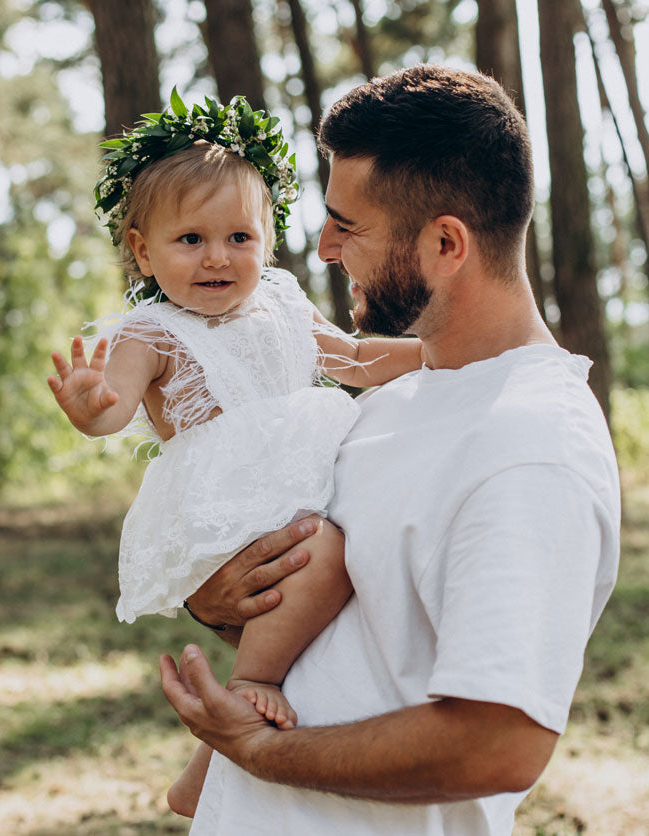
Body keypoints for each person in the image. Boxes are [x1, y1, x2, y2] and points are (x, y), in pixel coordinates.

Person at [160, 64, 621, 835]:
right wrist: (218, 598)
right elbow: (353, 616)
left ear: (446, 244)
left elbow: (499, 743)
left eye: (349, 224)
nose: (326, 248)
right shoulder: (393, 401)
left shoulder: (532, 445)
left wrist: (262, 751)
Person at [47, 93, 425, 813]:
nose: (217, 257)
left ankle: (212, 762)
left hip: (297, 481)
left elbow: (350, 358)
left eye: (239, 238)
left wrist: (436, 354)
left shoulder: (281, 299)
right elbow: (116, 407)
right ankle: (249, 691)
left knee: (346, 564)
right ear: (142, 250)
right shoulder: (149, 332)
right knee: (325, 556)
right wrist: (93, 408)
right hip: (229, 511)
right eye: (190, 240)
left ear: (267, 241)